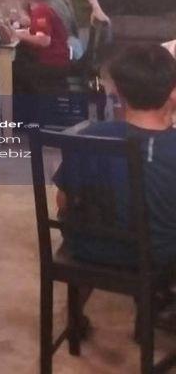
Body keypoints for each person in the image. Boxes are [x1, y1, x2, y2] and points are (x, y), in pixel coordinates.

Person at [54, 44, 176, 269]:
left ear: (118, 92)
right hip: (159, 257)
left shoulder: (89, 136)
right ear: (172, 92)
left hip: (89, 248)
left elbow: (63, 200)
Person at [13, 0, 75, 125]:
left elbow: (44, 41)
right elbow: (42, 32)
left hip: (51, 62)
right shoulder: (53, 4)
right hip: (62, 59)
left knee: (14, 69)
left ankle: (22, 117)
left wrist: (17, 35)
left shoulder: (42, 9)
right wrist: (26, 32)